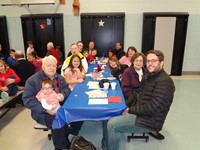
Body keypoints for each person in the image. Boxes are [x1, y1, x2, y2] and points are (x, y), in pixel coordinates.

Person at [103, 50, 175, 150]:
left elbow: (154, 107)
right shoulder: (149, 76)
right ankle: (105, 145)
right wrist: (126, 106)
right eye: (148, 61)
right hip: (141, 112)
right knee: (107, 116)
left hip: (149, 120)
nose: (150, 63)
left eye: (153, 61)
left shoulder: (165, 82)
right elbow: (136, 93)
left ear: (161, 63)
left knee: (112, 124)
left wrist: (130, 110)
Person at [22, 55, 83, 150]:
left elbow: (67, 89)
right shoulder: (32, 80)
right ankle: (61, 147)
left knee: (78, 111)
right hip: (42, 111)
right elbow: (27, 100)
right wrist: (45, 109)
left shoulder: (59, 78)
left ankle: (67, 134)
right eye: (49, 65)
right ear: (43, 66)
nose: (52, 68)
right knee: (57, 120)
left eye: (54, 65)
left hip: (60, 106)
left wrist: (63, 95)